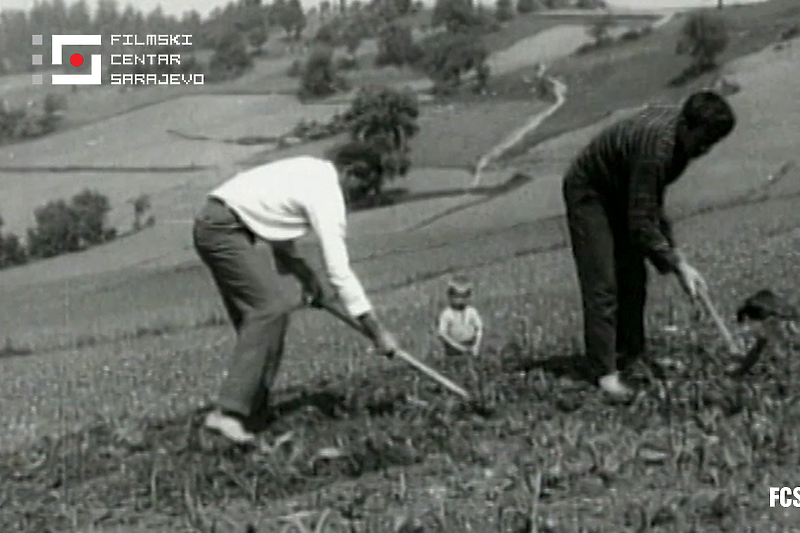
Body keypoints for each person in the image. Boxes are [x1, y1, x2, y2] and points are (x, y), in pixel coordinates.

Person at [193, 143, 400, 444]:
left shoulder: (310, 171)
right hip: (222, 228)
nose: (357, 197)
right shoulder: (326, 192)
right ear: (352, 173)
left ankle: (251, 417)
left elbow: (275, 227)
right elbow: (340, 272)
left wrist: (306, 278)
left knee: (263, 326)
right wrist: (377, 332)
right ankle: (226, 414)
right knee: (270, 311)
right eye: (361, 187)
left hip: (221, 222)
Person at [562, 90, 736, 401]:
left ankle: (633, 355)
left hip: (621, 190)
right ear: (686, 126)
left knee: (634, 277)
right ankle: (605, 374)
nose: (704, 150)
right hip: (590, 191)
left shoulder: (680, 144)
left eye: (712, 144)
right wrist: (677, 265)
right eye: (703, 141)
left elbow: (651, 205)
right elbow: (641, 222)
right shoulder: (657, 149)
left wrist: (676, 256)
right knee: (603, 283)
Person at [437, 275, 484, 356]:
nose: (460, 300)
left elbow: (479, 328)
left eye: (464, 296)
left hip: (470, 345)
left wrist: (476, 346)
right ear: (450, 296)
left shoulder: (471, 311)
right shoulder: (447, 314)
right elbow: (442, 333)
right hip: (453, 349)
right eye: (457, 296)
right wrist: (458, 347)